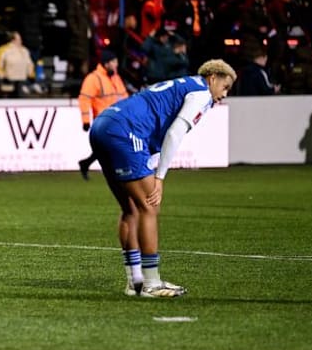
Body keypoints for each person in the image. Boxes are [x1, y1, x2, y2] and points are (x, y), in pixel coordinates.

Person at [88, 59, 237, 298]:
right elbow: (175, 133)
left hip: (103, 124)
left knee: (130, 209)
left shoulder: (184, 84)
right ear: (213, 78)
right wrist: (160, 177)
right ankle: (151, 282)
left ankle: (134, 282)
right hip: (125, 130)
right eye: (225, 87)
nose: (224, 95)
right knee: (149, 206)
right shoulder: (201, 94)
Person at [78, 50, 128, 180]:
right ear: (106, 64)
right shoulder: (93, 79)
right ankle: (117, 172)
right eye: (114, 62)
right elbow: (84, 99)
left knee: (106, 148)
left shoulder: (115, 77)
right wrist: (85, 120)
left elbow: (124, 97)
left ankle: (86, 163)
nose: (116, 64)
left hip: (116, 120)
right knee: (114, 146)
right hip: (103, 121)